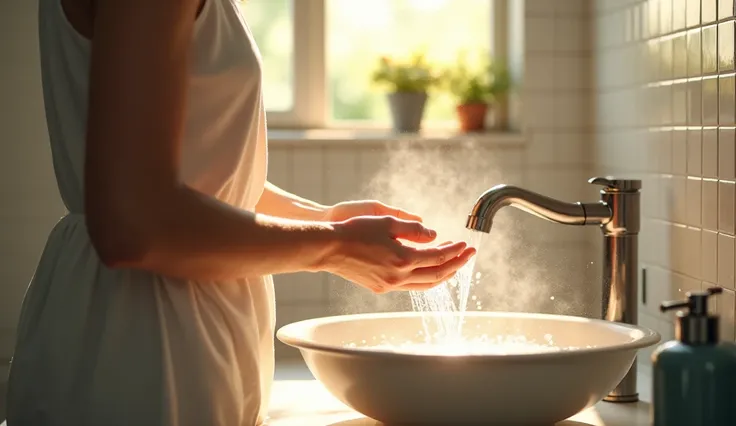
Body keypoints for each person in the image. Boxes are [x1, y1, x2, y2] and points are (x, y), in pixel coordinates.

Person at [5, 0, 477, 425]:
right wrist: (335, 248)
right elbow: (134, 224)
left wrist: (328, 221)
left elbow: (203, 174)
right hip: (144, 338)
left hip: (173, 326)